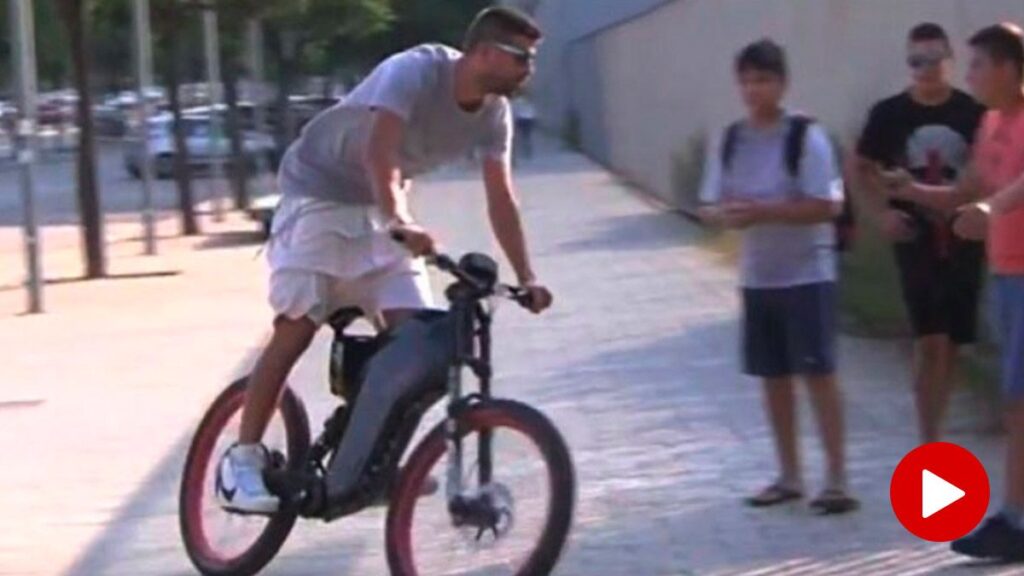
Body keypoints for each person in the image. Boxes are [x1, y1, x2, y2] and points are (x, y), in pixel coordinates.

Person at [216, 7, 553, 514]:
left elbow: (501, 197)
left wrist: (527, 276)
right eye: (520, 58)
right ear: (483, 52)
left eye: (532, 59)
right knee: (295, 328)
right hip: (320, 197)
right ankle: (240, 462)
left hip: (383, 216)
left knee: (416, 345)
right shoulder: (414, 71)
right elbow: (381, 153)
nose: (528, 69)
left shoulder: (494, 114)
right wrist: (399, 218)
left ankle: (371, 464)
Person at [698, 39, 858, 515]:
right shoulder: (729, 139)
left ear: (782, 83)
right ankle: (789, 474)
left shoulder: (804, 136)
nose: (754, 90)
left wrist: (765, 211)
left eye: (763, 79)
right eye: (746, 80)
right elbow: (707, 202)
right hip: (758, 276)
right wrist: (723, 214)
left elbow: (829, 205)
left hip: (808, 273)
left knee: (819, 375)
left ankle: (837, 478)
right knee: (773, 377)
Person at [907, 23, 1024, 561]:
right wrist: (910, 191)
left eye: (977, 65)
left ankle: (1015, 521)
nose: (969, 75)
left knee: (1019, 404)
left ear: (1006, 68)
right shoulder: (991, 123)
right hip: (1006, 275)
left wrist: (991, 210)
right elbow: (968, 187)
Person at [852, 23, 987, 444]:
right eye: (916, 61)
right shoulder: (889, 114)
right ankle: (930, 439)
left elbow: (989, 175)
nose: (925, 69)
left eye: (934, 59)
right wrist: (880, 215)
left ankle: (938, 428)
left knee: (952, 343)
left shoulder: (973, 114)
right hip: (915, 240)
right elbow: (858, 165)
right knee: (929, 339)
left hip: (964, 239)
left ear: (949, 59)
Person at [513, 94, 538, 160]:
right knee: (526, 136)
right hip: (529, 119)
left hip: (520, 119)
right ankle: (527, 150)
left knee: (517, 135)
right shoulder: (530, 102)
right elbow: (532, 111)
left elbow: (514, 110)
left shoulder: (517, 101)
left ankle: (519, 150)